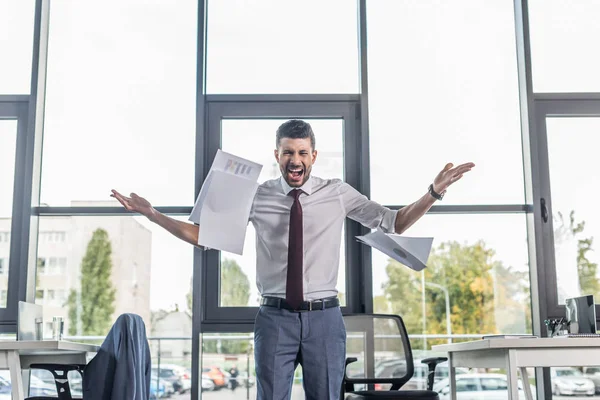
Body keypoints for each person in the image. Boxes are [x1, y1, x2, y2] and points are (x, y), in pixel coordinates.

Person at [111, 119, 474, 400]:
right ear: (277, 156)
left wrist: (434, 191)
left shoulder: (337, 193)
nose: (295, 160)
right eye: (287, 152)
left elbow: (394, 221)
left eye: (302, 152)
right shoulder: (256, 196)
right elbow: (202, 236)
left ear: (313, 155)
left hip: (325, 320)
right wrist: (153, 214)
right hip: (274, 319)